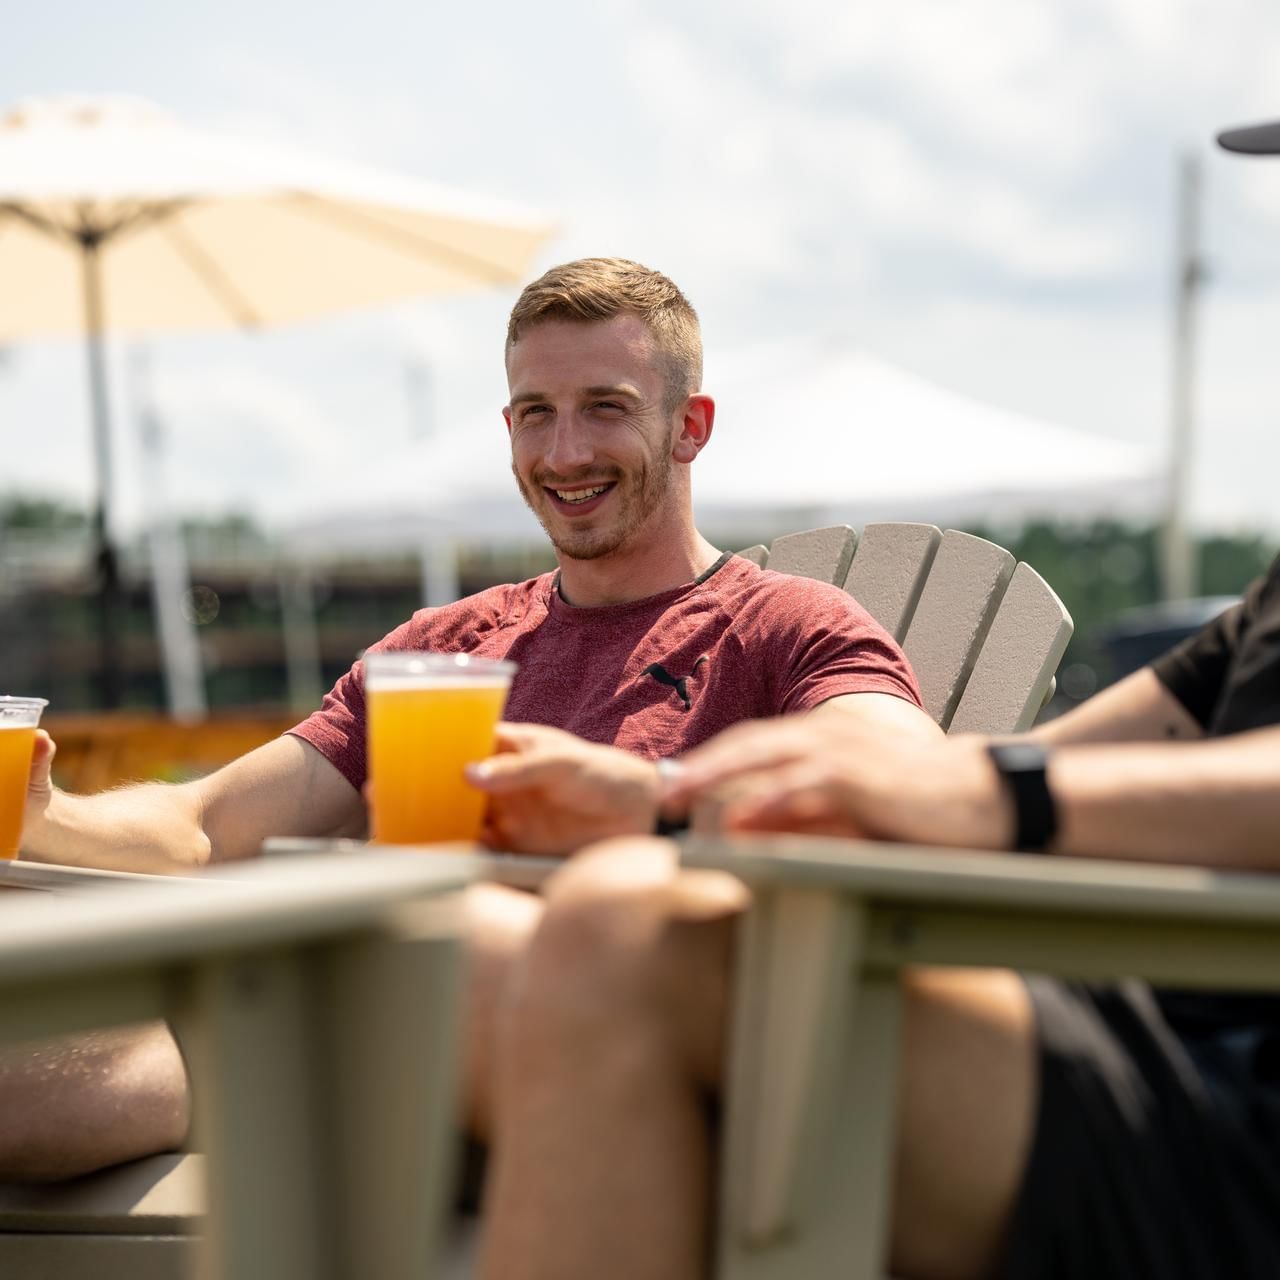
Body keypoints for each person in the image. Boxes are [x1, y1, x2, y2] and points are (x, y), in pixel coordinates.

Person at [477, 148, 1280, 1279]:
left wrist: (988, 794)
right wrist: (665, 802)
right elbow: (1044, 762)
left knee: (621, 934)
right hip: (1123, 1023)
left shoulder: (789, 620)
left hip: (1229, 1108)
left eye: (604, 407)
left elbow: (990, 783)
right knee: (499, 950)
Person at [4, 256, 935, 1180]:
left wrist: (648, 796)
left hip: (611, 1071)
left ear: (689, 426)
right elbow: (209, 827)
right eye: (536, 413)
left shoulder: (787, 629)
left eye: (606, 407)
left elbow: (905, 782)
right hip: (345, 1046)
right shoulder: (443, 650)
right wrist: (44, 812)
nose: (564, 453)